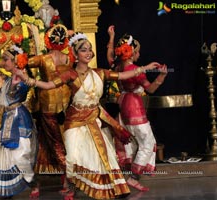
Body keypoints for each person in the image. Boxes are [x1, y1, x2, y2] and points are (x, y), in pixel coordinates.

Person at [15, 32, 163, 199]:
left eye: (89, 50)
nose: (88, 53)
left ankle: (101, 187)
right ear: (76, 55)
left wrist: (144, 68)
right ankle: (71, 186)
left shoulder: (99, 73)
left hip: (92, 120)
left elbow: (122, 75)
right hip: (74, 122)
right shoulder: (69, 74)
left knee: (100, 155)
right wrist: (28, 80)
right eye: (83, 50)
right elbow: (49, 85)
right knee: (72, 157)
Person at [107, 30, 168, 192]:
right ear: (132, 52)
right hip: (134, 108)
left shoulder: (117, 65)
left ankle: (127, 178)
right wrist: (161, 77)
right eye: (137, 51)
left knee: (133, 144)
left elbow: (109, 55)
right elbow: (151, 89)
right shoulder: (136, 70)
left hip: (123, 108)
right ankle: (133, 178)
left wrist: (111, 37)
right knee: (147, 143)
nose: (139, 54)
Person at [0, 45, 39, 199]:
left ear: (15, 62)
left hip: (19, 119)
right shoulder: (8, 80)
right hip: (8, 120)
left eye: (6, 59)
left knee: (20, 157)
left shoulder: (23, 78)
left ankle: (33, 182)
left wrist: (15, 85)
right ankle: (6, 191)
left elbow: (19, 93)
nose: (3, 62)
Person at [27, 24, 74, 193]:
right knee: (59, 139)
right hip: (65, 103)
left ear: (48, 40)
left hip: (47, 105)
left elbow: (25, 62)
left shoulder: (43, 59)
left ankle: (68, 178)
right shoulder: (68, 59)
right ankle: (54, 177)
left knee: (54, 142)